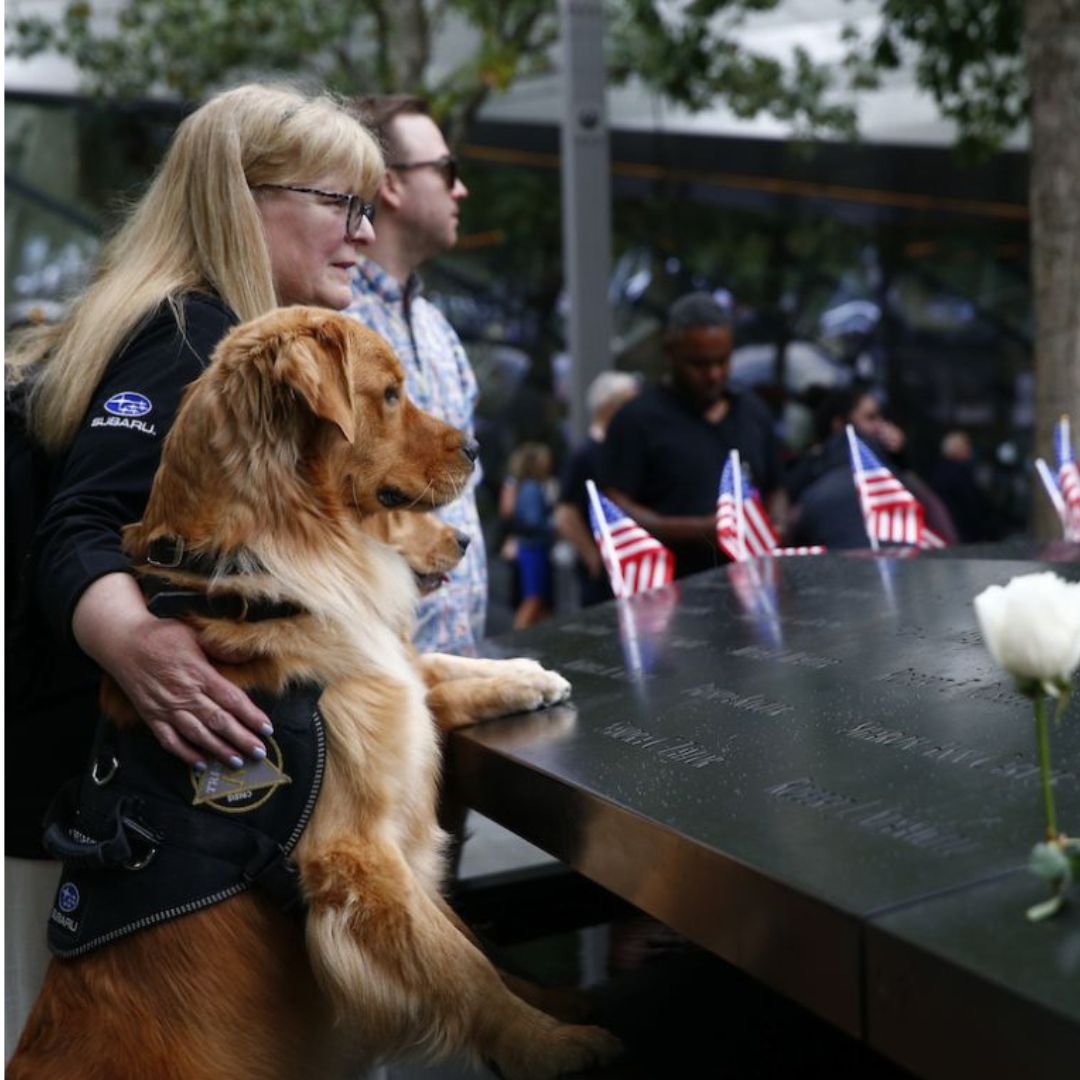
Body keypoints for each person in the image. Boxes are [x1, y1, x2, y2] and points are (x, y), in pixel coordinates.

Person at [4, 83, 383, 1057]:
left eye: (371, 209)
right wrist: (136, 643)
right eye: (343, 205)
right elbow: (84, 522)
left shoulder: (142, 317)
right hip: (100, 830)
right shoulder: (196, 334)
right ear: (242, 200)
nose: (366, 236)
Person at [346, 95, 486, 654]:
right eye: (446, 171)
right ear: (391, 185)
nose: (461, 189)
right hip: (377, 685)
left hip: (459, 665)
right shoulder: (334, 331)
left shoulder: (437, 328)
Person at [599, 292, 783, 579]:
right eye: (699, 364)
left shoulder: (752, 411)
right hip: (672, 590)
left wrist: (776, 524)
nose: (714, 374)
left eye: (722, 362)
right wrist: (701, 529)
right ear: (670, 353)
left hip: (750, 584)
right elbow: (615, 504)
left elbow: (776, 485)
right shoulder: (637, 419)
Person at [555, 371, 640, 606]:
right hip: (603, 576)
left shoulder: (624, 449)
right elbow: (566, 513)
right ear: (610, 406)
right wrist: (592, 557)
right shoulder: (585, 455)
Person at [499, 442, 557, 628]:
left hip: (529, 548)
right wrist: (553, 525)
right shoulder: (532, 487)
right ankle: (517, 638)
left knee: (538, 602)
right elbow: (532, 522)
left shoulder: (522, 486)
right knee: (533, 599)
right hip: (533, 548)